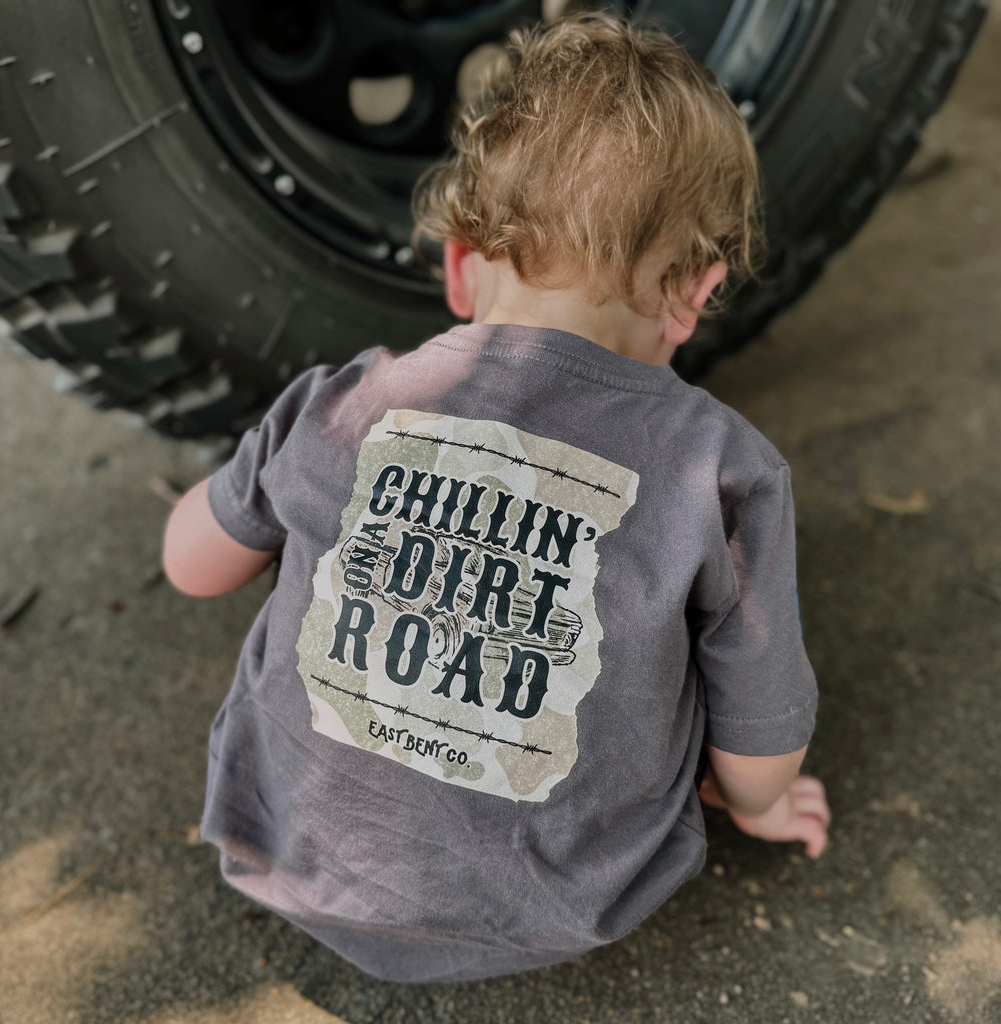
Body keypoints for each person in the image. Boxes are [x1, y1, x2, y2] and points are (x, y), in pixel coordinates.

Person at [162, 12, 830, 984]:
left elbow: (191, 566)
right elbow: (761, 736)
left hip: (292, 855)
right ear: (695, 293)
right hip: (563, 901)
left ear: (461, 260)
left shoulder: (339, 407)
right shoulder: (723, 470)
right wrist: (763, 801)